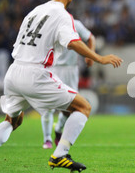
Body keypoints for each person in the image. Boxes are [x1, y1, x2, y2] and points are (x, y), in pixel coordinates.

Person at [0, 0, 123, 173]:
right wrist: (99, 58)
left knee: (12, 120)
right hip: (35, 74)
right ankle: (60, 154)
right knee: (83, 107)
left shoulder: (34, 12)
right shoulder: (63, 16)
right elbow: (73, 42)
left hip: (13, 71)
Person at [41, 19, 96, 149]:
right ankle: (47, 139)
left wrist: (90, 55)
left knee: (69, 108)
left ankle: (59, 130)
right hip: (52, 68)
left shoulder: (75, 24)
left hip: (71, 70)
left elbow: (91, 37)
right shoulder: (49, 23)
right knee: (48, 105)